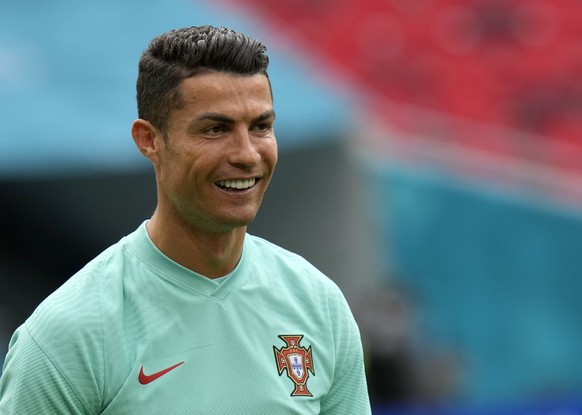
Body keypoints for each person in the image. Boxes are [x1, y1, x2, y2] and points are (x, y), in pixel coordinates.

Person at [0, 25, 371, 414]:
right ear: (149, 140)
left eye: (261, 126)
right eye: (216, 129)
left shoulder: (318, 303)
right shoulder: (69, 333)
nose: (247, 154)